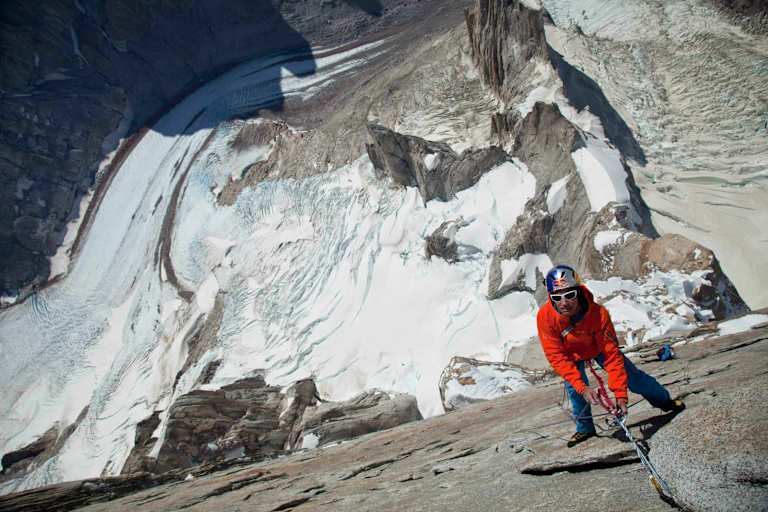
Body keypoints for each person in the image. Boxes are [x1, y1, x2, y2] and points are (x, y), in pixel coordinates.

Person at [536, 265, 685, 447]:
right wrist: (583, 388)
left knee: (634, 379)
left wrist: (620, 395)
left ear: (578, 291)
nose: (564, 302)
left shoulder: (598, 314)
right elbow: (556, 355)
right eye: (557, 297)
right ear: (550, 297)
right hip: (571, 353)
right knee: (576, 390)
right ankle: (585, 428)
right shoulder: (545, 317)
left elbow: (611, 355)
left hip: (597, 348)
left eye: (569, 295)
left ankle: (665, 401)